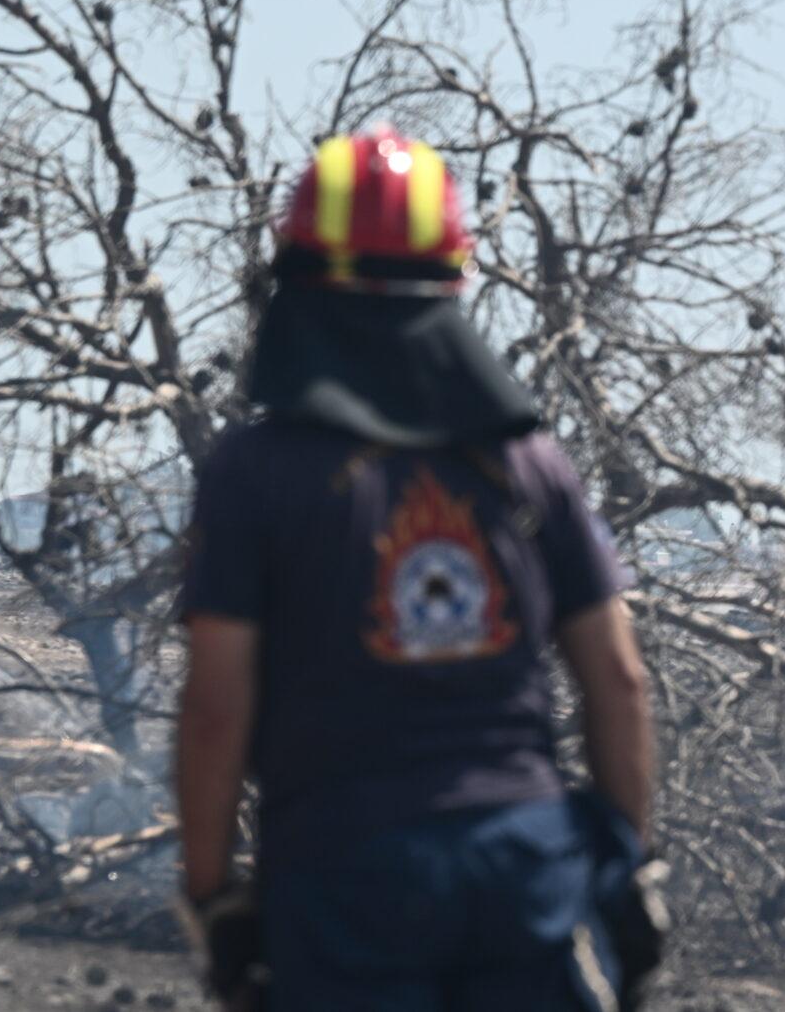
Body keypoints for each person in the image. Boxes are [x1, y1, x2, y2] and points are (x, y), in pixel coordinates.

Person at [175, 128, 661, 1010]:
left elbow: (215, 707)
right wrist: (627, 867)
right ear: (455, 276)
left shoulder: (256, 471)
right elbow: (619, 680)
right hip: (525, 869)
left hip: (345, 880)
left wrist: (213, 898)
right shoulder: (531, 463)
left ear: (297, 282)